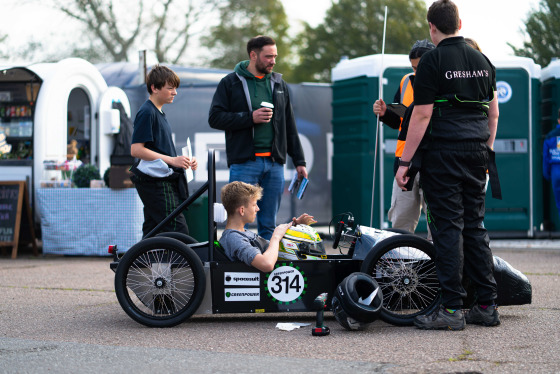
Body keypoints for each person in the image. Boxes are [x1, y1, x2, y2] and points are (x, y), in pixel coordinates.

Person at [395, 0, 501, 330]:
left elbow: (423, 114)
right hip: (477, 153)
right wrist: (484, 150)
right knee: (475, 227)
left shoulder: (432, 61)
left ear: (432, 26)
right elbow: (493, 113)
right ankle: (486, 305)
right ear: (459, 22)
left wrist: (405, 161)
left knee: (447, 229)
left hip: (443, 155)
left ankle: (452, 310)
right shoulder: (483, 60)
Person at [209, 35, 307, 241]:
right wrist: (250, 118)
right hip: (244, 163)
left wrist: (299, 161)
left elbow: (290, 125)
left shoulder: (280, 84)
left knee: (269, 224)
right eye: (268, 56)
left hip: (274, 165)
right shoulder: (230, 83)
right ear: (253, 55)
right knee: (237, 221)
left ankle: (266, 269)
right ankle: (236, 267)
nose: (273, 61)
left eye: (275, 56)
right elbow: (215, 118)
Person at [373, 39, 435, 239]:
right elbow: (400, 122)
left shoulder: (443, 84)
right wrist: (384, 114)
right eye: (413, 67)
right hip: (403, 162)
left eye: (420, 67)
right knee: (400, 221)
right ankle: (398, 265)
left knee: (437, 222)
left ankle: (439, 267)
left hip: (432, 162)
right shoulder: (406, 81)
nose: (416, 72)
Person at [130, 65, 198, 237]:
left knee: (153, 228)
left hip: (160, 178)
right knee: (178, 230)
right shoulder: (147, 112)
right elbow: (136, 149)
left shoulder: (157, 112)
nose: (174, 92)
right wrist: (172, 160)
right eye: (170, 88)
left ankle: (146, 263)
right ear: (154, 88)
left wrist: (183, 161)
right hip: (155, 181)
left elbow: (159, 150)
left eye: (175, 88)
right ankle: (170, 264)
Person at [219, 181, 316, 272]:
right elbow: (267, 264)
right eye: (254, 205)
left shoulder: (242, 233)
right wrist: (276, 237)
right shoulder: (234, 238)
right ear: (242, 210)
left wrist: (294, 227)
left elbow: (273, 249)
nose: (258, 208)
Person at [543, 108, 560, 218]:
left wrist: (547, 174)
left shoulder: (550, 136)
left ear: (558, 120)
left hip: (555, 171)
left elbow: (545, 158)